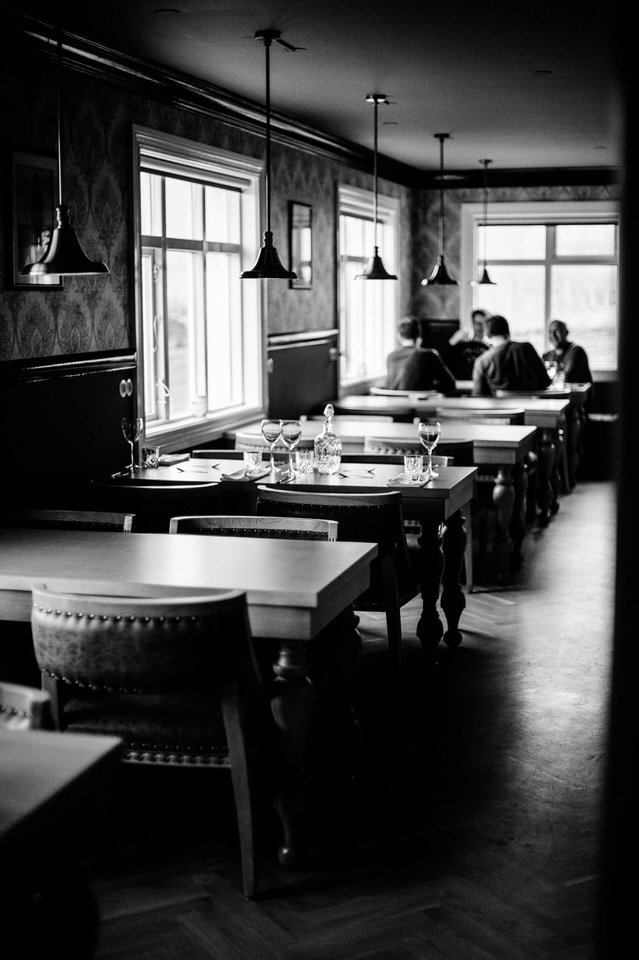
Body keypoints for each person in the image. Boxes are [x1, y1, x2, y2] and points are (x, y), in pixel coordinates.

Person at [472, 314, 551, 396]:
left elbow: (478, 395)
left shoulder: (482, 361)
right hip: (534, 406)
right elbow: (546, 381)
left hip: (499, 407)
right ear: (507, 331)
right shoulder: (527, 348)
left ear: (487, 334)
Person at [385, 317, 457, 393]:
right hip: (421, 403)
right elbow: (450, 384)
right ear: (420, 337)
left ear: (399, 336)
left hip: (394, 403)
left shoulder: (390, 357)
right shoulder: (430, 354)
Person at [542, 318, 593, 386]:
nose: (553, 335)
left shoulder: (577, 352)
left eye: (557, 331)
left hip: (576, 395)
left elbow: (568, 378)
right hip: (555, 395)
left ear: (566, 332)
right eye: (550, 331)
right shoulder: (547, 356)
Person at [445, 308, 490, 380]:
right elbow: (446, 355)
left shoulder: (489, 344)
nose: (479, 327)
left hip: (482, 379)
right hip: (462, 378)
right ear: (472, 323)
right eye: (476, 323)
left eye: (482, 324)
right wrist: (455, 340)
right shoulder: (463, 340)